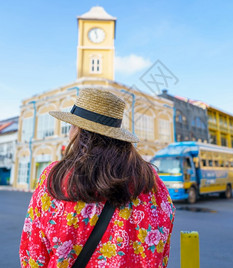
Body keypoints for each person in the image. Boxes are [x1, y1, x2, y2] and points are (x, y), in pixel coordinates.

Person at [20, 88, 175, 268]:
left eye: (71, 126)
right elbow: (161, 250)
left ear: (78, 131)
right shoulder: (150, 180)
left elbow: (33, 254)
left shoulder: (55, 177)